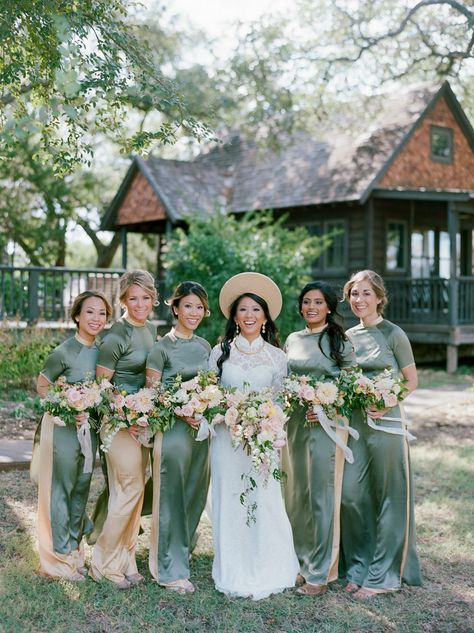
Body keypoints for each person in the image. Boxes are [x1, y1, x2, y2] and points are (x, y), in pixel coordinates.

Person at [209, 272, 299, 600]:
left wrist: (264, 424)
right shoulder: (219, 352)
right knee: (229, 499)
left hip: (262, 441)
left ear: (265, 316)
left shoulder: (277, 357)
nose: (249, 316)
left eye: (256, 310)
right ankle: (231, 566)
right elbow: (212, 396)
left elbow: (278, 402)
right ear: (234, 316)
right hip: (225, 440)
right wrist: (229, 415)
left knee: (264, 500)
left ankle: (269, 565)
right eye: (243, 310)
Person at [340, 270, 422, 599]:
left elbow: (411, 381)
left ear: (378, 297)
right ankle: (358, 565)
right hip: (356, 426)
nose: (359, 300)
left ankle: (383, 574)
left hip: (387, 425)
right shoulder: (347, 336)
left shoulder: (394, 334)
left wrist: (387, 402)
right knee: (352, 495)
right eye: (354, 294)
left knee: (390, 497)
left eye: (365, 294)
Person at [283, 281, 356, 596]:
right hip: (296, 422)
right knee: (297, 492)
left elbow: (352, 384)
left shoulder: (339, 341)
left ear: (329, 307)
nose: (311, 307)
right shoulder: (292, 339)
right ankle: (300, 561)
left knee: (322, 495)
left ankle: (320, 572)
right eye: (306, 302)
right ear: (300, 307)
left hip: (327, 423)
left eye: (318, 302)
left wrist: (327, 405)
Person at [36, 290, 112, 581]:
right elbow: (43, 386)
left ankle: (73, 550)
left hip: (88, 430)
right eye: (90, 312)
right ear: (77, 316)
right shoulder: (65, 351)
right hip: (63, 430)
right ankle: (58, 558)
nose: (96, 318)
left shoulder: (103, 351)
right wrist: (68, 405)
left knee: (81, 486)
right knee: (62, 488)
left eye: (102, 313)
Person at [90, 270, 158, 589]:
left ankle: (126, 558)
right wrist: (127, 415)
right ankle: (103, 562)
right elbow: (102, 387)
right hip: (117, 423)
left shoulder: (151, 330)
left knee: (134, 491)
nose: (140, 303)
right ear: (123, 300)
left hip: (141, 423)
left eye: (145, 297)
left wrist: (143, 414)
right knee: (128, 487)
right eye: (133, 298)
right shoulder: (117, 335)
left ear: (153, 298)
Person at [146, 281, 211, 594]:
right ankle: (169, 569)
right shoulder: (161, 348)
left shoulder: (204, 347)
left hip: (200, 431)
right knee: (171, 496)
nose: (194, 312)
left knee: (194, 494)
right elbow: (152, 392)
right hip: (172, 431)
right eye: (188, 305)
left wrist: (205, 404)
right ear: (175, 308)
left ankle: (181, 549)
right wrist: (178, 407)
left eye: (199, 307)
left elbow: (211, 386)